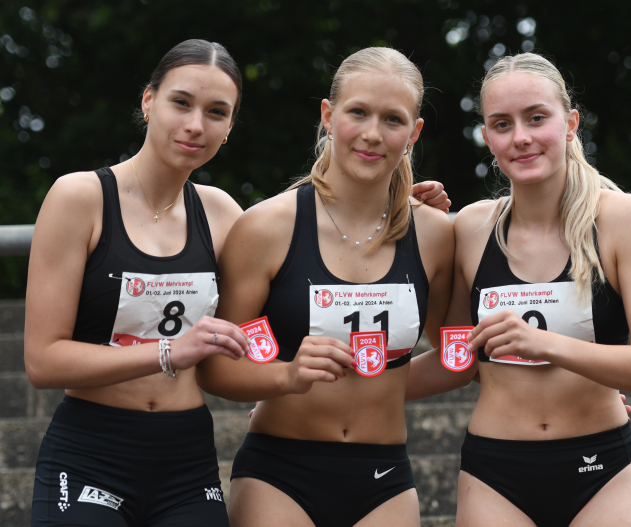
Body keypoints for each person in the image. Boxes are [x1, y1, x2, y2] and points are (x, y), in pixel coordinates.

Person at [24, 39, 450, 527]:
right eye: (181, 102)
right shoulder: (80, 196)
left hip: (186, 458)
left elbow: (276, 300)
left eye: (216, 112)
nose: (194, 125)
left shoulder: (225, 214)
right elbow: (41, 360)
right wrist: (174, 354)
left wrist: (393, 200)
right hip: (93, 448)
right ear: (148, 100)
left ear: (229, 128)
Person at [407, 52, 631, 527]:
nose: (522, 137)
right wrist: (412, 231)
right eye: (502, 124)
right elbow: (454, 354)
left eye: (536, 118)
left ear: (570, 123)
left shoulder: (622, 218)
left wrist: (546, 344)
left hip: (602, 466)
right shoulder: (470, 228)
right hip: (495, 472)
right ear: (487, 137)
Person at [196, 47, 455, 527]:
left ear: (414, 133)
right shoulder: (266, 228)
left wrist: (582, 394)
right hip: (279, 473)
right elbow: (216, 368)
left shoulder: (437, 234)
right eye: (358, 112)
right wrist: (286, 376)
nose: (372, 134)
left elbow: (459, 356)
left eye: (393, 120)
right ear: (328, 115)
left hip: (385, 477)